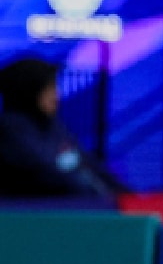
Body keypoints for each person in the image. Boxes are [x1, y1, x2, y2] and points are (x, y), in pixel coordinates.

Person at [0, 57, 126, 199]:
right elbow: (49, 174)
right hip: (38, 210)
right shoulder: (11, 130)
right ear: (28, 92)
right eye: (49, 89)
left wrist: (126, 195)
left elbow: (86, 163)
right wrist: (98, 198)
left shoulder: (53, 126)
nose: (57, 96)